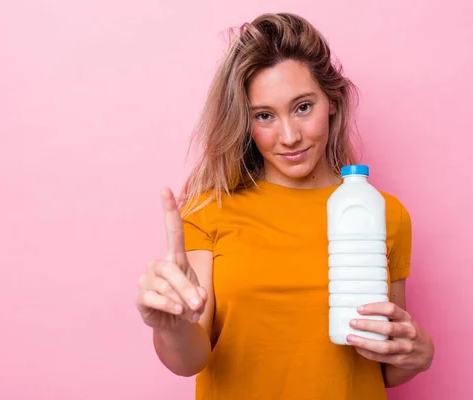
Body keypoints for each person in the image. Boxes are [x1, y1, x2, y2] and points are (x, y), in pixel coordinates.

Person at [135, 12, 434, 400]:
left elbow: (382, 362)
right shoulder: (211, 210)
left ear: (332, 101)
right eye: (264, 116)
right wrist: (171, 326)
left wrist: (418, 354)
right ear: (245, 122)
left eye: (303, 107)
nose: (290, 136)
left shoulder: (383, 212)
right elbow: (189, 360)